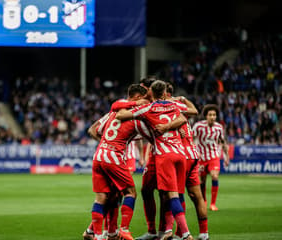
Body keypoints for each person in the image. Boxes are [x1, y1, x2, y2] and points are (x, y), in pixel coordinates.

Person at [116, 80, 195, 240]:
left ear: (151, 91)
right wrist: (170, 124)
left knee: (171, 195)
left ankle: (184, 234)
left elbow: (120, 115)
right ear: (165, 91)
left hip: (164, 155)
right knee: (174, 193)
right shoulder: (174, 105)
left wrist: (131, 105)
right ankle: (168, 232)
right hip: (180, 154)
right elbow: (188, 115)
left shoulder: (148, 107)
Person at [89, 84, 156, 240]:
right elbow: (153, 137)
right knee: (130, 193)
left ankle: (98, 236)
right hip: (114, 157)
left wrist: (106, 143)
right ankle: (124, 229)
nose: (147, 103)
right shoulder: (135, 117)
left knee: (103, 198)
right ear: (138, 98)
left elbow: (95, 130)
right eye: (145, 99)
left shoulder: (113, 112)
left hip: (99, 155)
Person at [165, 83, 209, 240]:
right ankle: (204, 234)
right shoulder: (180, 106)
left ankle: (179, 232)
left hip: (181, 156)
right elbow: (195, 111)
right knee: (197, 196)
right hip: (193, 155)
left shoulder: (166, 107)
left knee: (175, 194)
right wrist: (183, 99)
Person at [193, 104, 230, 211]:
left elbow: (223, 142)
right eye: (210, 115)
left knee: (214, 176)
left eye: (214, 115)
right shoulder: (198, 126)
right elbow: (190, 139)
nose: (212, 117)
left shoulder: (219, 127)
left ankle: (213, 204)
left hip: (214, 156)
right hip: (201, 158)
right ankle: (204, 201)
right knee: (202, 181)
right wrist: (194, 150)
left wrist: (226, 156)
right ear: (206, 116)